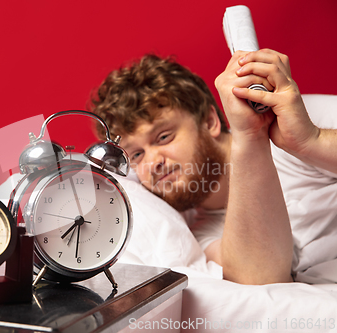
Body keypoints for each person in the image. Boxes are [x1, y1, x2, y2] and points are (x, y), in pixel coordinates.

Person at [88, 49, 337, 285]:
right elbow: (261, 279)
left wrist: (310, 141)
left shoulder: (300, 118)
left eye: (164, 137)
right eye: (137, 154)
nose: (153, 164)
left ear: (209, 122)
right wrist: (249, 136)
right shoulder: (202, 233)